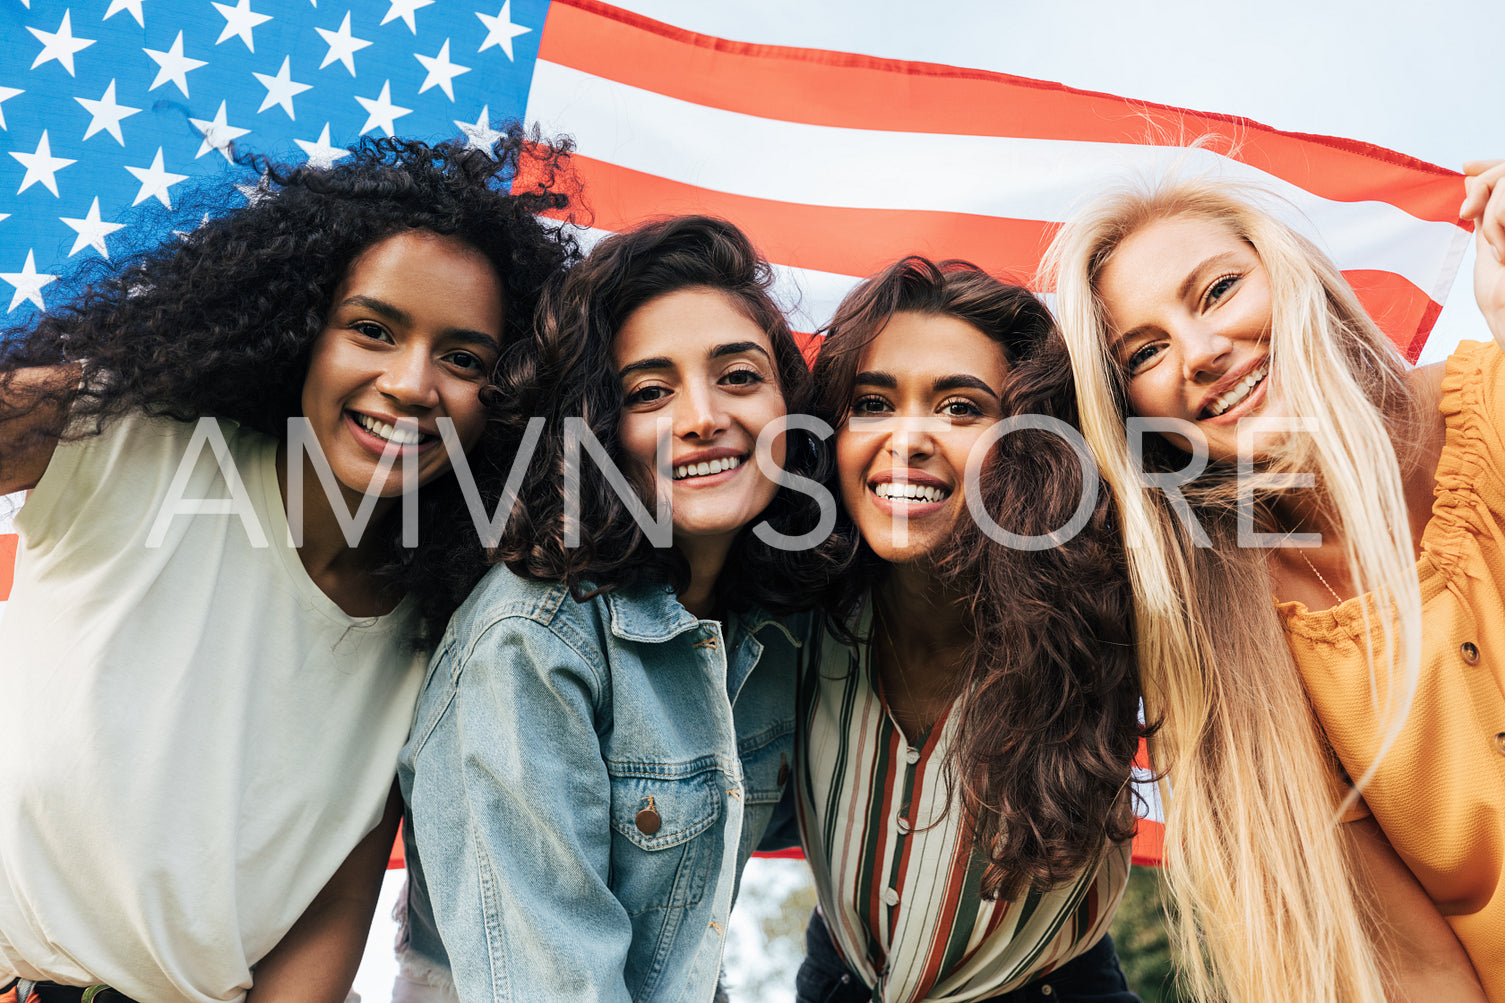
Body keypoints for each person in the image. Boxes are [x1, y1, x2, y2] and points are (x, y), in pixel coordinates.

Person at [0, 134, 577, 1003]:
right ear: (304, 330)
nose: (412, 382)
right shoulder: (122, 433)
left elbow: (336, 896)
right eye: (372, 330)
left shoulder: (439, 631)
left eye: (464, 359)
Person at [1042, 160, 1505, 1003]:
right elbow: (1409, 967)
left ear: (1291, 273)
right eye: (1144, 351)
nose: (1202, 352)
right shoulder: (1232, 646)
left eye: (1216, 291)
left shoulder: (1490, 402)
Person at [397, 215, 833, 1003]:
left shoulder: (773, 627)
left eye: (738, 376)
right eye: (649, 392)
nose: (703, 417)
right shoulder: (528, 638)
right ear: (596, 428)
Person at [793, 257, 1143, 1003]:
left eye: (958, 408)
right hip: (840, 982)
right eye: (871, 402)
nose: (908, 438)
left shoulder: (1116, 611)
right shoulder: (791, 615)